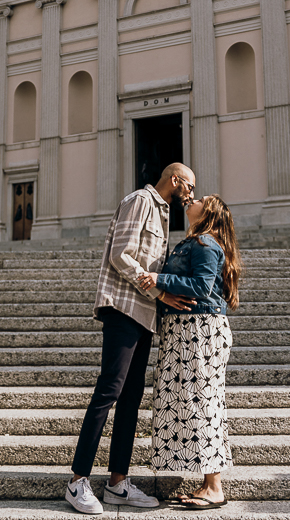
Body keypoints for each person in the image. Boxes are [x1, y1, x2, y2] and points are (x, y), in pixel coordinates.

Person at [66, 162, 198, 515]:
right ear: (175, 180)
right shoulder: (141, 200)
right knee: (109, 389)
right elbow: (120, 253)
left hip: (144, 313)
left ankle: (117, 483)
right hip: (123, 308)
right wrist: (158, 290)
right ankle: (78, 481)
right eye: (189, 187)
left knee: (131, 397)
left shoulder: (165, 212)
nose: (191, 194)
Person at [137, 194, 241, 511]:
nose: (191, 199)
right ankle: (209, 483)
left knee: (203, 401)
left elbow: (201, 285)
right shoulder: (194, 242)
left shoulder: (206, 244)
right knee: (195, 401)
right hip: (185, 331)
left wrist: (160, 279)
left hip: (200, 330)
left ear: (208, 212)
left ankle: (214, 487)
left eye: (201, 198)